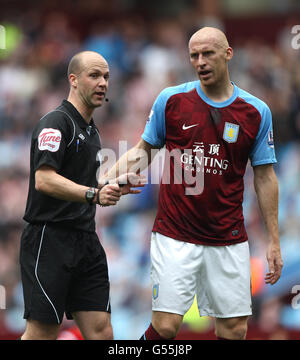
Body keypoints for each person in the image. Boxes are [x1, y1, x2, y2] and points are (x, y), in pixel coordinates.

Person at [104, 27, 283, 340]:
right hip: (175, 233)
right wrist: (103, 181)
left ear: (228, 54)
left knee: (234, 329)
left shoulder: (256, 111)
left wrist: (273, 239)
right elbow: (144, 150)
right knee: (165, 326)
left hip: (228, 236)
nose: (200, 61)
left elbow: (266, 177)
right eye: (194, 56)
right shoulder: (171, 100)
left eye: (208, 53)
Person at [19, 51, 144, 340]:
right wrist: (94, 195)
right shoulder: (56, 122)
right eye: (94, 75)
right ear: (73, 80)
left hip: (86, 240)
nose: (103, 83)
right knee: (42, 332)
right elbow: (44, 180)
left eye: (107, 77)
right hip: (49, 240)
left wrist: (105, 187)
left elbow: (79, 185)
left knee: (101, 331)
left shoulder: (91, 131)